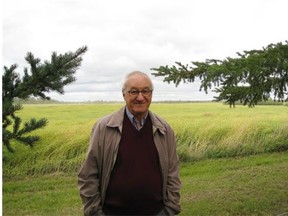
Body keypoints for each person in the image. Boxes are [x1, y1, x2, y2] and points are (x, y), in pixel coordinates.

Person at [78, 71, 181, 216]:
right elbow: (88, 175)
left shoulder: (164, 129)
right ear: (123, 94)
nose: (140, 97)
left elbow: (173, 173)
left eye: (145, 91)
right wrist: (95, 212)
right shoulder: (104, 128)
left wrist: (169, 209)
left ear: (151, 94)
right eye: (133, 92)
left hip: (156, 212)